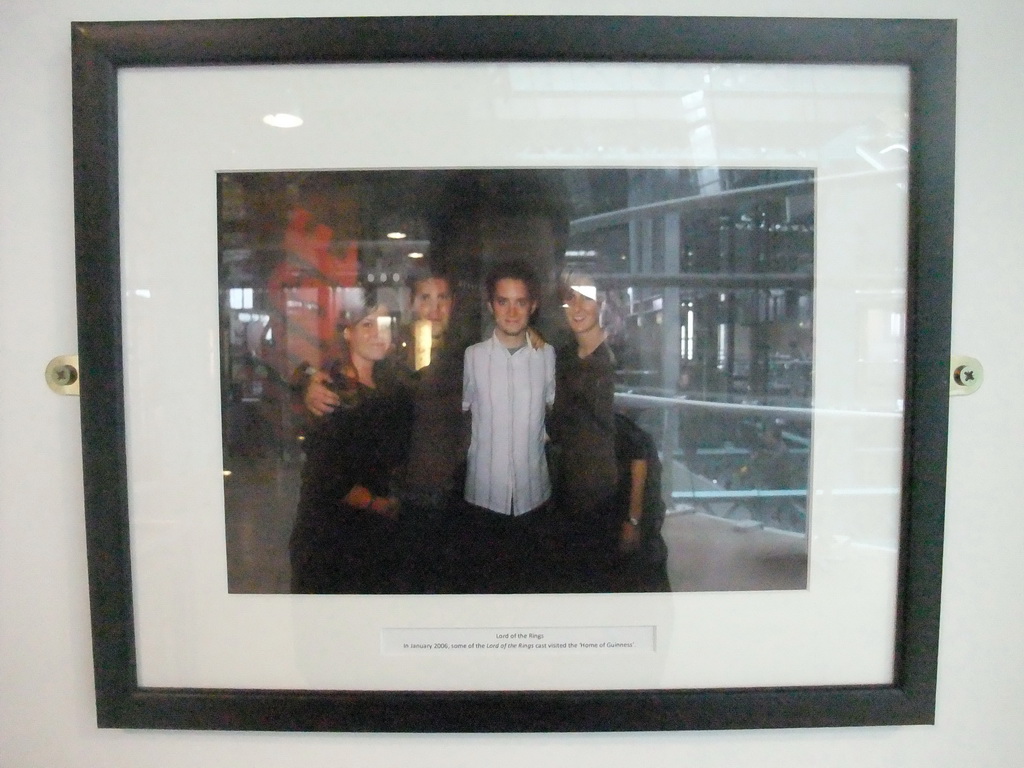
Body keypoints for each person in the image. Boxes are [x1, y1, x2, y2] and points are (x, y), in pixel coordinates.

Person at [289, 290, 413, 594]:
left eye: (383, 324)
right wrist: (380, 505)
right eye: (367, 324)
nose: (377, 333)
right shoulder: (332, 388)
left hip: (376, 535)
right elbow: (327, 478)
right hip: (334, 539)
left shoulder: (392, 385)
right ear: (348, 332)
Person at [461, 260, 556, 593]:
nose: (512, 312)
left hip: (535, 495)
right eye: (503, 301)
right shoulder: (471, 358)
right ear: (491, 306)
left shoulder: (549, 357)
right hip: (483, 497)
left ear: (533, 306)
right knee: (486, 591)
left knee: (530, 590)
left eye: (520, 302)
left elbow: (559, 410)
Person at [546, 273, 620, 592]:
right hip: (566, 487)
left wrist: (632, 515)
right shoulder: (563, 358)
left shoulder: (618, 359)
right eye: (569, 298)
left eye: (586, 297)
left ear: (601, 303)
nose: (577, 306)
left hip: (605, 492)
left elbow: (636, 441)